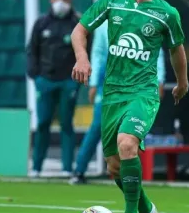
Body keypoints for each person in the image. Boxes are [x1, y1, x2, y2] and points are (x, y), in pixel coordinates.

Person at [70, 0, 189, 213]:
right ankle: (146, 207)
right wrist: (82, 58)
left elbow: (176, 50)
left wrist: (182, 82)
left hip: (142, 92)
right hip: (112, 94)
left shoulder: (166, 13)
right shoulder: (112, 2)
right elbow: (79, 31)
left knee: (127, 144)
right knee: (114, 167)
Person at [69, 19, 166, 185]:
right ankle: (79, 170)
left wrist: (160, 80)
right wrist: (93, 84)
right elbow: (99, 53)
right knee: (98, 127)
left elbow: (156, 52)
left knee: (133, 128)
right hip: (110, 86)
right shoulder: (105, 25)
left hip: (138, 85)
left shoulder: (147, 21)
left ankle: (130, 174)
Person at [26, 0, 82, 178]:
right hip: (46, 80)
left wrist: (78, 80)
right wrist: (36, 76)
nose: (61, 2)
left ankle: (67, 167)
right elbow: (32, 50)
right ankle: (36, 167)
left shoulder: (77, 23)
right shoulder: (41, 23)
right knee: (42, 123)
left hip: (68, 80)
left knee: (66, 124)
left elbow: (85, 52)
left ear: (70, 0)